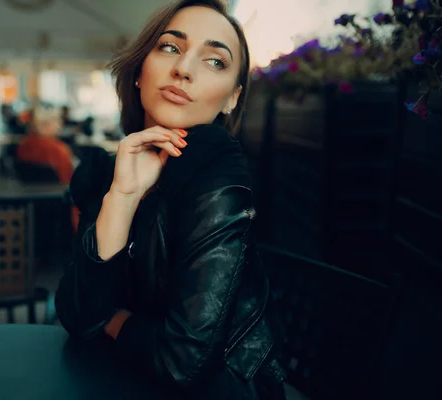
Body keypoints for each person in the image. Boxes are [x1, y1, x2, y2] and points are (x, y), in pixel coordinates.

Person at [55, 1, 285, 399]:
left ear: (232, 98)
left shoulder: (218, 171)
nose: (184, 69)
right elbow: (77, 314)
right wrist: (123, 196)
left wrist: (112, 319)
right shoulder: (109, 172)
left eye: (215, 61)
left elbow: (182, 363)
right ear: (140, 72)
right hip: (119, 382)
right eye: (170, 47)